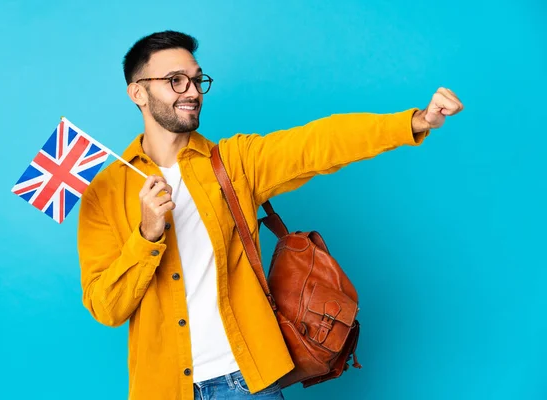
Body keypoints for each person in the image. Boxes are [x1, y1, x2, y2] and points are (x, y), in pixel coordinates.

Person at [77, 30, 464, 400]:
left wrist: (414, 122)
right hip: (160, 390)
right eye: (176, 81)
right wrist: (146, 236)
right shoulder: (105, 191)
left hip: (246, 382)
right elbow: (106, 307)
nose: (192, 92)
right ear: (138, 93)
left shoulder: (233, 162)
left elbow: (319, 143)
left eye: (197, 80)